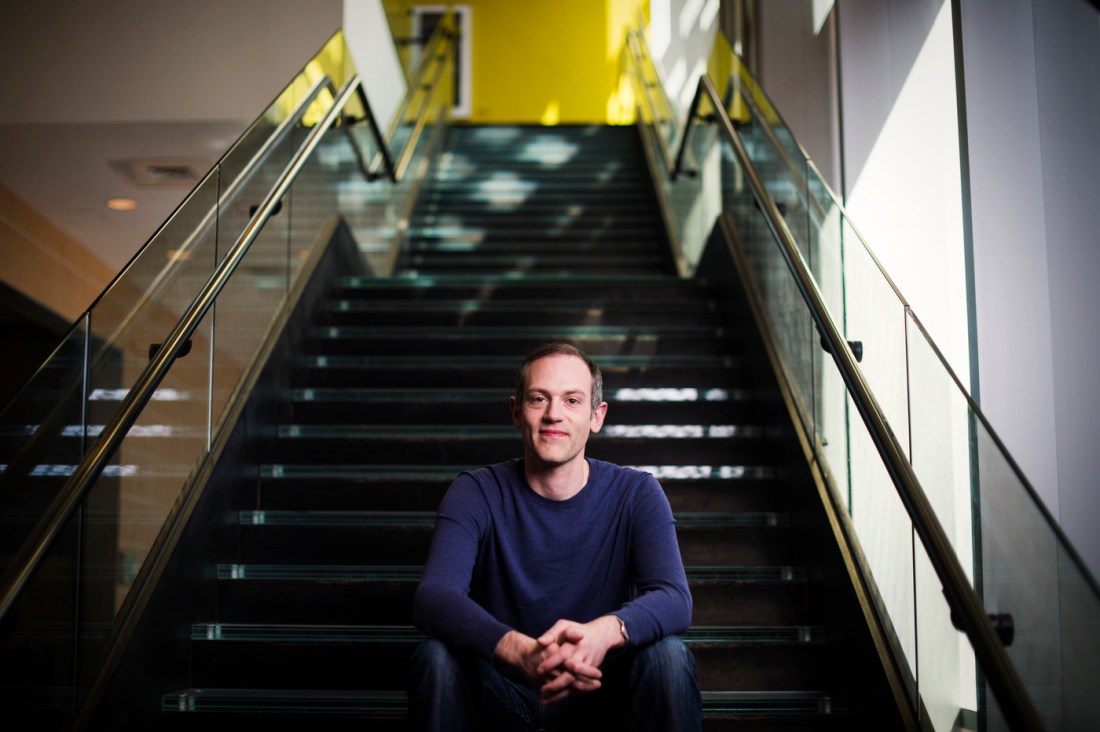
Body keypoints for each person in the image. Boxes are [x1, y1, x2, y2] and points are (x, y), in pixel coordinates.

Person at [409, 342, 701, 731]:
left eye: (572, 400)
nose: (553, 415)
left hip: (601, 696)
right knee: (436, 657)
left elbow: (674, 598)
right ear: (516, 411)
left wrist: (602, 634)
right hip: (503, 695)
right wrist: (519, 652)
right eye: (539, 399)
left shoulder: (637, 493)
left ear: (597, 416)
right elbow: (433, 598)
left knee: (669, 657)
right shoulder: (475, 491)